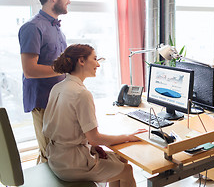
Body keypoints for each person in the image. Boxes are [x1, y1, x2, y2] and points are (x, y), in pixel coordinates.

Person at [43, 44, 147, 186]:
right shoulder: (81, 94)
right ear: (81, 61)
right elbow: (95, 138)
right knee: (127, 170)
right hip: (72, 164)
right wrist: (128, 137)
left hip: (57, 157)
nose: (98, 64)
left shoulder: (58, 87)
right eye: (95, 59)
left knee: (120, 159)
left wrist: (91, 146)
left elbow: (71, 131)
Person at [18, 0, 70, 163]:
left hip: (59, 100)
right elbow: (29, 70)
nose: (69, 1)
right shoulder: (32, 28)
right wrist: (65, 68)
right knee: (49, 155)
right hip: (43, 102)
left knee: (58, 155)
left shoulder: (57, 29)